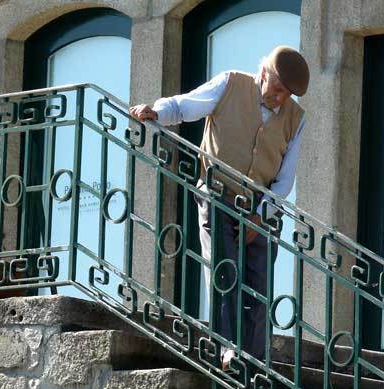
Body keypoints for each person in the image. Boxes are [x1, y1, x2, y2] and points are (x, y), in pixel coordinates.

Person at [129, 46, 309, 371]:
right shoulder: (230, 84)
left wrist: (260, 217)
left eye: (288, 95)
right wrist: (157, 111)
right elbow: (188, 105)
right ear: (264, 73)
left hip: (261, 205)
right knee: (224, 269)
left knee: (259, 283)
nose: (281, 99)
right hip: (218, 192)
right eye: (278, 90)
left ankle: (253, 364)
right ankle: (227, 348)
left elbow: (284, 180)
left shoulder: (296, 120)